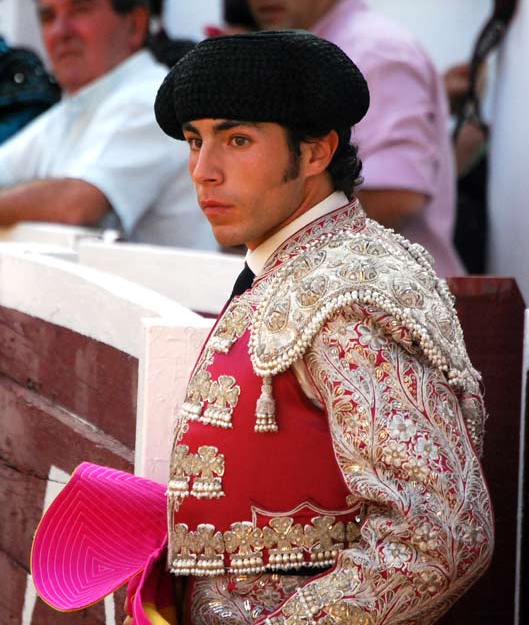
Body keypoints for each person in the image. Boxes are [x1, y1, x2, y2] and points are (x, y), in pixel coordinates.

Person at [32, 32, 493, 624]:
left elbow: (439, 538)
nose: (204, 171)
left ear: (316, 152)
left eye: (238, 140)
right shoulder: (289, 266)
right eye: (195, 141)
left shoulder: (350, 294)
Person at [245, 0, 464, 277]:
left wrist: (270, 232)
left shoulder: (374, 50)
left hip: (393, 302)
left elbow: (396, 197)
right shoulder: (335, 48)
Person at [0, 0, 215, 250]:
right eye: (48, 17)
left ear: (135, 24)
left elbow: (75, 206)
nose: (60, 32)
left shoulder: (151, 100)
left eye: (81, 10)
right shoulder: (71, 110)